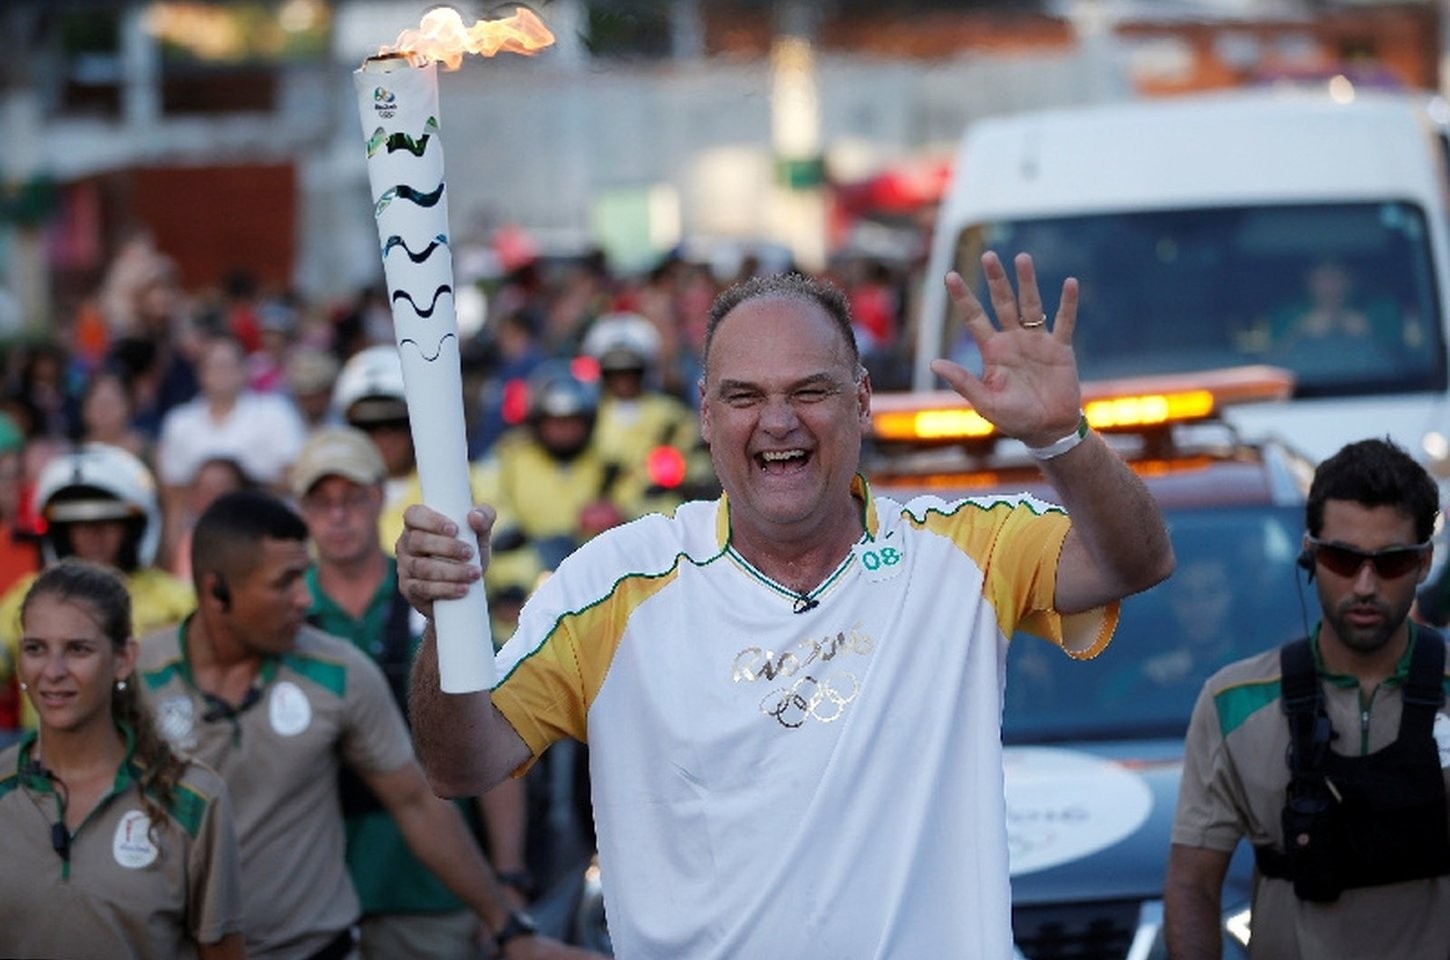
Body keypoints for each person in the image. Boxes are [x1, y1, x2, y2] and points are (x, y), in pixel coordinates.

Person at [396, 252, 1175, 957]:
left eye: (810, 391)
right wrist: (445, 620)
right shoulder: (613, 583)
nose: (778, 421)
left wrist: (1062, 439)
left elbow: (1135, 560)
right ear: (705, 411)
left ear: (861, 399)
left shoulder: (964, 552)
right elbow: (460, 764)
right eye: (745, 396)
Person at [135, 489, 598, 960]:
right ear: (216, 592)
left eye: (304, 576)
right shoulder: (137, 681)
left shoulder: (341, 671)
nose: (303, 597)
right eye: (285, 582)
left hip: (318, 951)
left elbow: (417, 802)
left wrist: (506, 927)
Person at [1164, 437, 1450, 959]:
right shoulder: (1234, 702)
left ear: (1424, 564)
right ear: (1311, 555)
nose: (1364, 585)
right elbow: (1192, 887)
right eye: (1343, 559)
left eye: (1389, 564)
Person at [292, 427, 536, 960]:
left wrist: (507, 876)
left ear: (380, 495)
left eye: (352, 498)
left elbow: (495, 733)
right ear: (302, 510)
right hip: (312, 899)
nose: (338, 516)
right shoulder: (281, 611)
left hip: (435, 896)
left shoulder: (436, 589)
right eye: (321, 501)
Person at [0, 559, 244, 958]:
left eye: (78, 649)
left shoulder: (193, 798)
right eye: (35, 649)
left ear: (124, 659)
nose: (53, 671)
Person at [0, 441, 196, 733]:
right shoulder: (28, 597)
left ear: (132, 528)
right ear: (62, 534)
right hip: (42, 763)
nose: (94, 537)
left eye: (108, 523)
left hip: (154, 750)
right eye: (79, 525)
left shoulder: (175, 599)